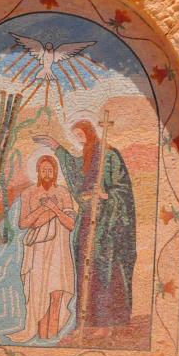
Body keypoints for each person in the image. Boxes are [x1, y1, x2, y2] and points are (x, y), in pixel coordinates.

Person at [34, 119, 136, 340]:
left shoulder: (110, 155)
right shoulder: (88, 157)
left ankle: (107, 324)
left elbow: (123, 190)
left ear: (90, 134)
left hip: (107, 225)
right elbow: (76, 172)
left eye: (81, 136)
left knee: (104, 271)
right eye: (76, 137)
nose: (79, 141)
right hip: (87, 220)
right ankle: (88, 322)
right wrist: (57, 147)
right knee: (85, 270)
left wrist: (105, 195)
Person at [8, 156, 77, 342]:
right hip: (38, 250)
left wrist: (54, 209)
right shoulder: (29, 193)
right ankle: (41, 338)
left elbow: (70, 224)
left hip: (59, 250)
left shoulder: (63, 193)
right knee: (39, 294)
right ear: (37, 172)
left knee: (56, 293)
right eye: (44, 170)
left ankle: (51, 337)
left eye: (50, 170)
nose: (47, 174)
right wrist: (42, 209)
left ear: (56, 173)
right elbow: (23, 223)